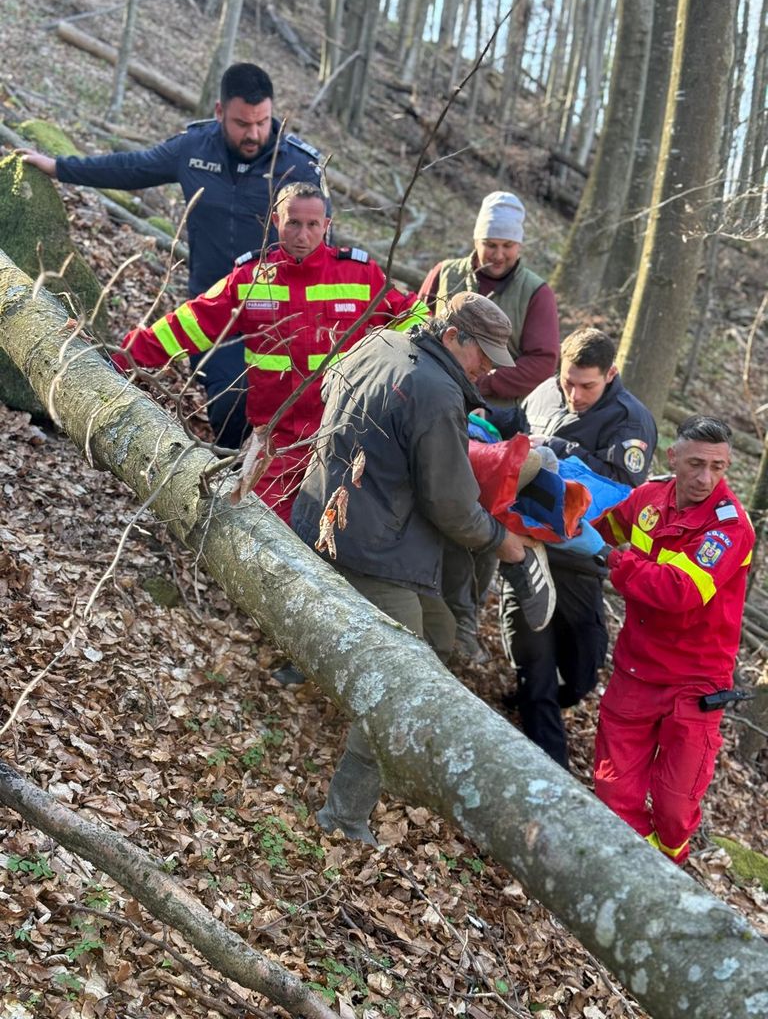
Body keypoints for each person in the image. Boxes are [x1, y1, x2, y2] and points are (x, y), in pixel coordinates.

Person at [292, 291, 555, 845]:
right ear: (452, 335)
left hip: (322, 517)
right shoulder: (436, 393)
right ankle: (343, 816)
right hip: (375, 549)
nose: (485, 370)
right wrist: (500, 540)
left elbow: (325, 388)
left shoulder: (379, 341)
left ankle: (366, 723)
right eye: (480, 354)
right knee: (401, 684)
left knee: (439, 634)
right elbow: (452, 504)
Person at [20, 63, 326, 449]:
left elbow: (319, 241)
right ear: (219, 112)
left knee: (290, 413)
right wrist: (59, 167)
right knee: (230, 406)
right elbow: (132, 168)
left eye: (263, 122)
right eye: (242, 123)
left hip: (281, 314)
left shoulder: (298, 166)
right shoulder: (194, 148)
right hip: (215, 312)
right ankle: (236, 488)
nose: (254, 134)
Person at [114, 182, 427, 523]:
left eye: (312, 224)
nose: (302, 234)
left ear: (327, 225)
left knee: (343, 539)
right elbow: (187, 324)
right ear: (275, 220)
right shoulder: (251, 278)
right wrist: (123, 358)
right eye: (293, 223)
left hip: (345, 436)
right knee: (260, 528)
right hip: (276, 440)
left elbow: (417, 322)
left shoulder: (359, 274)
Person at [593, 416, 754, 865]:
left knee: (674, 806)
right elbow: (600, 527)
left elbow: (679, 591)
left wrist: (619, 564)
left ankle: (670, 866)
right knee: (612, 789)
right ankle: (636, 872)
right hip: (636, 670)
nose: (706, 478)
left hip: (695, 683)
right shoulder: (649, 499)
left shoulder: (731, 526)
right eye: (697, 464)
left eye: (718, 467)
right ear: (673, 459)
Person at [499, 327, 657, 769]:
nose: (574, 393)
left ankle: (547, 694)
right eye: (568, 381)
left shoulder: (630, 420)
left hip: (578, 559)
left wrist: (560, 450)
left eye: (586, 385)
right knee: (534, 657)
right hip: (525, 546)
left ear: (611, 374)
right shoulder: (545, 393)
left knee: (584, 664)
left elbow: (621, 491)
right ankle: (552, 769)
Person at [418, 190, 559, 406]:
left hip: (495, 410)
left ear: (519, 245)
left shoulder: (536, 293)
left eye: (508, 246)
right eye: (491, 245)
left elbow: (542, 363)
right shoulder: (444, 273)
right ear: (477, 241)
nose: (499, 255)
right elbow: (415, 325)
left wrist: (483, 380)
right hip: (432, 394)